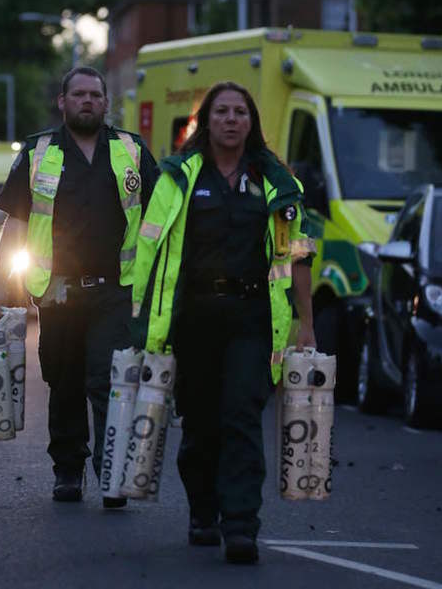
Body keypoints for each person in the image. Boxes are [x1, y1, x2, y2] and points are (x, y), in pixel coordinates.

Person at [131, 82, 317, 564]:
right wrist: (140, 320)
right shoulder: (178, 177)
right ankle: (203, 511)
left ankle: (240, 525)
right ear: (205, 122)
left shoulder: (277, 182)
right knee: (201, 424)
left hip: (253, 320)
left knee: (241, 418)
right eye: (221, 112)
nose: (231, 120)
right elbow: (149, 252)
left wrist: (307, 326)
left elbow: (299, 255)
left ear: (251, 122)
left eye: (240, 112)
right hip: (193, 319)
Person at [0, 66, 158, 506]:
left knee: (109, 380)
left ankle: (111, 471)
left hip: (115, 291)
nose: (87, 101)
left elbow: (161, 219)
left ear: (106, 102)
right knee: (64, 382)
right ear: (62, 102)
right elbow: (17, 220)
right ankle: (67, 469)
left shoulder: (132, 151)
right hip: (58, 290)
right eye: (78, 94)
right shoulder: (37, 151)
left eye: (95, 95)